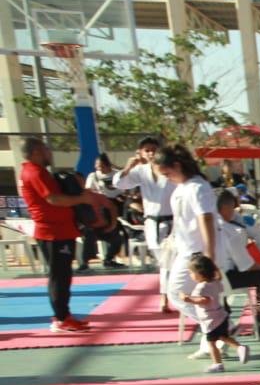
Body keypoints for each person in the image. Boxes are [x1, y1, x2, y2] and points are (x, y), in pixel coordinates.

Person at [17, 137, 99, 333]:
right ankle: (61, 318)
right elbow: (53, 199)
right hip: (53, 232)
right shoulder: (35, 172)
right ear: (36, 152)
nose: (49, 153)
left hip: (59, 230)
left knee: (62, 275)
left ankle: (64, 315)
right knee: (59, 276)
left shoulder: (35, 171)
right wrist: (81, 198)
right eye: (46, 149)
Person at [155, 144, 217, 322]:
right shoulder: (183, 188)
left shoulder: (197, 187)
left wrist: (209, 256)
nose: (167, 179)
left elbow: (206, 219)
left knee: (176, 293)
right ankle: (213, 336)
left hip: (197, 252)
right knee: (190, 294)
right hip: (186, 248)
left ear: (177, 165)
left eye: (167, 174)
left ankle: (218, 327)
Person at [114, 136, 177, 311]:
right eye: (146, 150)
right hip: (151, 223)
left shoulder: (170, 169)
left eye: (153, 149)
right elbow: (119, 183)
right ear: (140, 153)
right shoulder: (140, 171)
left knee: (168, 261)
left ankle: (165, 298)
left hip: (172, 222)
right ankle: (167, 296)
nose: (150, 153)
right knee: (163, 262)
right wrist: (128, 167)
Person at [215, 189, 260, 339]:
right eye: (232, 208)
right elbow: (246, 266)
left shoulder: (207, 226)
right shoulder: (232, 230)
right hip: (226, 278)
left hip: (208, 277)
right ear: (225, 208)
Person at [179, 254, 249, 373]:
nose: (191, 276)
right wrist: (215, 268)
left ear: (200, 273)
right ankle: (239, 347)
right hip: (221, 316)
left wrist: (188, 299)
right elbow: (219, 277)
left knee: (211, 342)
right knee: (223, 337)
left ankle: (217, 363)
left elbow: (205, 300)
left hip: (210, 320)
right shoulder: (216, 282)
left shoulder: (201, 287)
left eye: (191, 273)